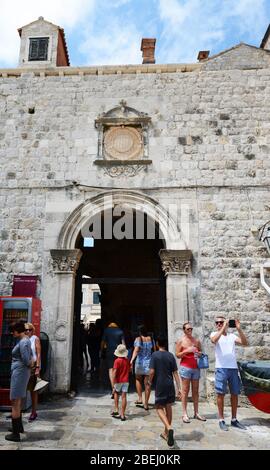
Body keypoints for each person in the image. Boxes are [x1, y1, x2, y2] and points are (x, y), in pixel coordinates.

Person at [210, 316, 248, 431]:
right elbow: (214, 340)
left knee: (235, 394)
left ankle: (234, 419)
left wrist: (239, 329)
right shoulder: (214, 334)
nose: (219, 324)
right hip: (221, 368)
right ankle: (221, 419)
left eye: (222, 322)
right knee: (220, 394)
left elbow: (245, 343)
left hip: (233, 368)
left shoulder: (232, 336)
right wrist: (223, 329)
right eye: (218, 322)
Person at [149, 335, 181, 447]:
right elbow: (175, 373)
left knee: (158, 407)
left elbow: (152, 371)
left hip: (160, 384)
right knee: (168, 406)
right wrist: (179, 388)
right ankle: (166, 433)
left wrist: (149, 381)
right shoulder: (171, 356)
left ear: (157, 344)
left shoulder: (154, 355)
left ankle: (168, 427)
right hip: (170, 384)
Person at [5, 321, 33, 442]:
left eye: (12, 331)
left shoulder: (23, 341)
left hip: (20, 373)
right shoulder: (24, 340)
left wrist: (32, 364)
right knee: (18, 401)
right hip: (21, 372)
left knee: (15, 402)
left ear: (17, 330)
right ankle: (19, 427)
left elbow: (27, 360)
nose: (12, 334)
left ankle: (15, 434)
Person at [175, 322, 206, 423]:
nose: (190, 331)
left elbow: (201, 352)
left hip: (195, 367)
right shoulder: (181, 341)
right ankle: (184, 414)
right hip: (185, 367)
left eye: (191, 329)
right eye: (188, 329)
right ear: (184, 330)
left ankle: (196, 412)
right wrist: (187, 351)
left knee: (195, 391)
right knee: (185, 391)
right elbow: (177, 355)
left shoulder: (196, 341)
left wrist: (199, 353)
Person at [130, 325, 155, 410]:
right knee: (147, 383)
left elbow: (136, 350)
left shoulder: (138, 339)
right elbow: (154, 350)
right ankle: (146, 404)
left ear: (139, 332)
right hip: (149, 363)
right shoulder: (151, 339)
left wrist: (131, 360)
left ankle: (140, 398)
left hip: (139, 363)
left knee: (138, 379)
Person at [100, 319, 125, 396]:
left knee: (111, 370)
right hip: (119, 352)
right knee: (118, 370)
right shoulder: (120, 331)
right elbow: (123, 344)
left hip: (109, 352)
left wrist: (102, 351)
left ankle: (113, 389)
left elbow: (103, 342)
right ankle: (117, 388)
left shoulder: (106, 331)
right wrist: (125, 354)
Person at [24, 323, 41, 422]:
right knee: (22, 389)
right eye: (25, 330)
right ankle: (17, 410)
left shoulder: (35, 339)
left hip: (34, 367)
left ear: (32, 330)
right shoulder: (23, 339)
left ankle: (34, 412)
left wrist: (38, 367)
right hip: (25, 367)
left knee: (33, 391)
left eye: (29, 330)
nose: (27, 331)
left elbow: (38, 354)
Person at [111, 344, 130, 421]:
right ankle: (123, 414)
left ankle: (116, 410)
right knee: (124, 396)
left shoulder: (117, 361)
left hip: (118, 380)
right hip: (126, 380)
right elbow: (129, 369)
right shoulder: (127, 360)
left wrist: (113, 383)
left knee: (116, 392)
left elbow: (114, 372)